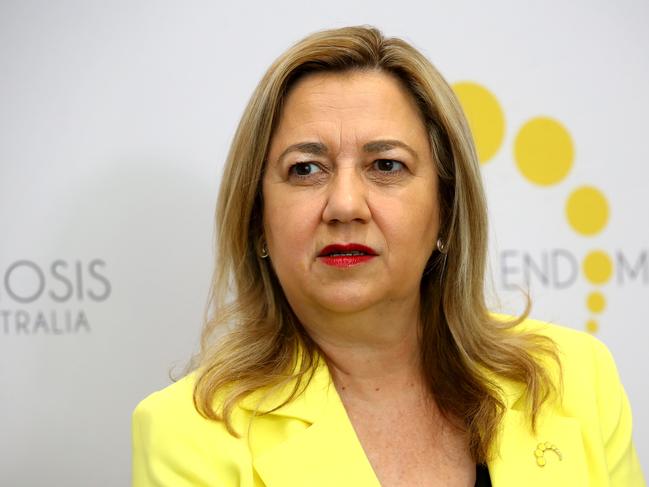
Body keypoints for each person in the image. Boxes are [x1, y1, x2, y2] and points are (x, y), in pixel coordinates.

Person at [131, 26, 645, 486]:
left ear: (445, 209)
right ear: (257, 219)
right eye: (306, 169)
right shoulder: (186, 433)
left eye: (386, 165)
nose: (346, 205)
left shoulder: (575, 377)